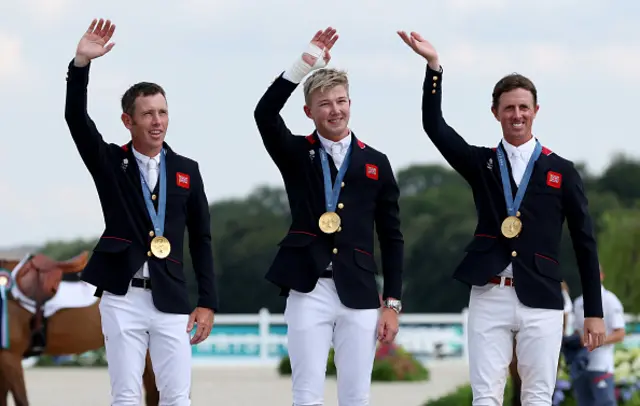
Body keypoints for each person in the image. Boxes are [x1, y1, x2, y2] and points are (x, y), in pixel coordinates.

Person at [397, 30, 606, 405]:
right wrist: (433, 68)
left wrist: (593, 311)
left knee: (539, 396)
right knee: (486, 396)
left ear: (536, 111)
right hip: (490, 292)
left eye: (524, 107)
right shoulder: (482, 164)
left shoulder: (562, 171)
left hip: (541, 296)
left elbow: (584, 243)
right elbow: (435, 127)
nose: (517, 115)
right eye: (509, 108)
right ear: (495, 112)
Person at [64, 18, 217, 405]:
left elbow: (201, 238)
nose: (157, 122)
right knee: (127, 395)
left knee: (177, 396)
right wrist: (81, 65)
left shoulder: (187, 170)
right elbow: (76, 121)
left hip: (171, 296)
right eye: (148, 114)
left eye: (163, 112)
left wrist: (208, 301)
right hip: (122, 296)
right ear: (127, 121)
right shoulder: (110, 162)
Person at [254, 27, 404, 406]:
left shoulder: (375, 162)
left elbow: (392, 237)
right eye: (324, 104)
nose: (334, 110)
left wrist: (393, 302)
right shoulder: (294, 153)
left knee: (356, 395)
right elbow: (264, 113)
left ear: (350, 103)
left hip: (360, 289)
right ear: (309, 111)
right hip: (308, 288)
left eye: (341, 101)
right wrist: (301, 65)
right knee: (306, 393)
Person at [571, 266, 625, 406]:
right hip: (581, 366)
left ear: (601, 276)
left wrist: (596, 340)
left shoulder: (610, 300)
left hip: (602, 365)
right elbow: (578, 331)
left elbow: (620, 333)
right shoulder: (578, 303)